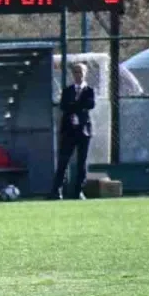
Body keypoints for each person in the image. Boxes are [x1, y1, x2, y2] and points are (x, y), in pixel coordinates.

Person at [51, 61, 95, 200]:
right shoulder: (67, 91)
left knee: (82, 162)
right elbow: (64, 106)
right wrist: (77, 106)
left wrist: (74, 106)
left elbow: (89, 104)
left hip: (83, 131)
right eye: (75, 72)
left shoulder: (89, 91)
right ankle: (57, 191)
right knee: (63, 161)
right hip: (69, 131)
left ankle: (78, 191)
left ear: (85, 74)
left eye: (80, 72)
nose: (78, 75)